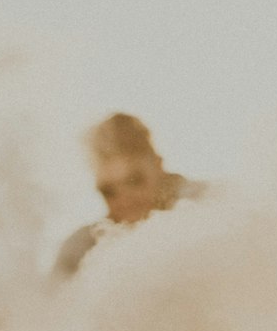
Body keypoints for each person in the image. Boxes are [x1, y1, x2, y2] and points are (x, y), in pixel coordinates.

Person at [53, 113, 205, 277]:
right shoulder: (79, 250)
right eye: (109, 192)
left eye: (134, 181)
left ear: (158, 166)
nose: (125, 200)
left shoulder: (208, 209)